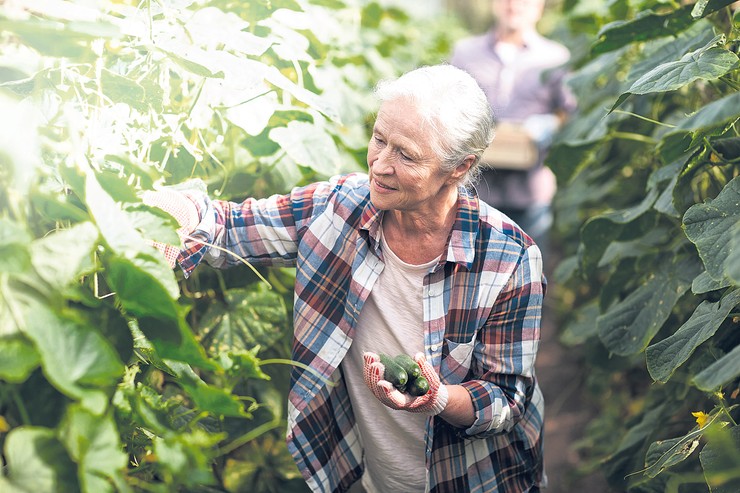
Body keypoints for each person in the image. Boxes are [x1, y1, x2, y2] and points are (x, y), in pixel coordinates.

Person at [144, 64, 546, 492]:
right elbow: (229, 225)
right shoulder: (336, 209)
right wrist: (171, 213)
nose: (380, 165)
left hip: (476, 479)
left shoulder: (509, 258)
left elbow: (507, 400)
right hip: (365, 475)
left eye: (405, 154)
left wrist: (439, 398)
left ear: (458, 167)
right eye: (378, 139)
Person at [449, 0, 576, 259]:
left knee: (526, 272)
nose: (514, 5)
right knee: (469, 272)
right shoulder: (465, 52)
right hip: (474, 189)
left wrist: (550, 124)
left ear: (539, 7)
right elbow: (449, 102)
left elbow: (568, 110)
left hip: (530, 191)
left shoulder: (555, 57)